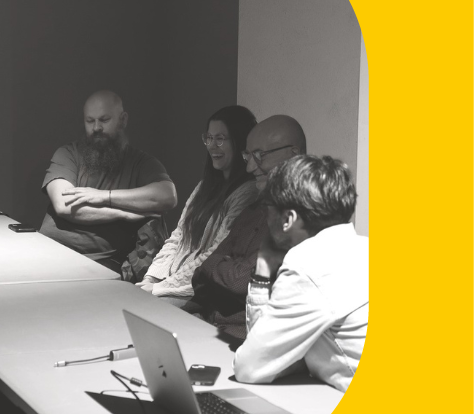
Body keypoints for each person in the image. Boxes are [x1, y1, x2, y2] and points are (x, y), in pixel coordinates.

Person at [233, 155, 368, 393]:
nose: (265, 218)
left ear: (288, 219)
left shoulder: (308, 264)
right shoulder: (365, 248)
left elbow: (250, 366)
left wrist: (262, 269)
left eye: (268, 208)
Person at [189, 115, 306, 339]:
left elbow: (239, 280)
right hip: (208, 324)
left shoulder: (302, 216)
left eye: (260, 155)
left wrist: (219, 267)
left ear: (294, 155)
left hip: (249, 340)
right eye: (248, 156)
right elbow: (201, 272)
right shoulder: (252, 211)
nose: (250, 167)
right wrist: (223, 267)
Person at [39, 90, 177, 274]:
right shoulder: (68, 154)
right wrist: (123, 213)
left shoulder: (141, 163)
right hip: (47, 251)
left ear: (123, 120)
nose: (96, 127)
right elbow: (64, 206)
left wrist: (104, 197)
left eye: (104, 120)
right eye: (90, 121)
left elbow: (168, 196)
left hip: (100, 263)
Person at [137, 105, 258, 303]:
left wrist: (161, 288)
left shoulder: (247, 191)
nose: (212, 146)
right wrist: (151, 278)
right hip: (170, 282)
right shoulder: (205, 186)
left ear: (239, 141)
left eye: (220, 139)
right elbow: (179, 236)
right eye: (209, 138)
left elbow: (215, 253)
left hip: (195, 288)